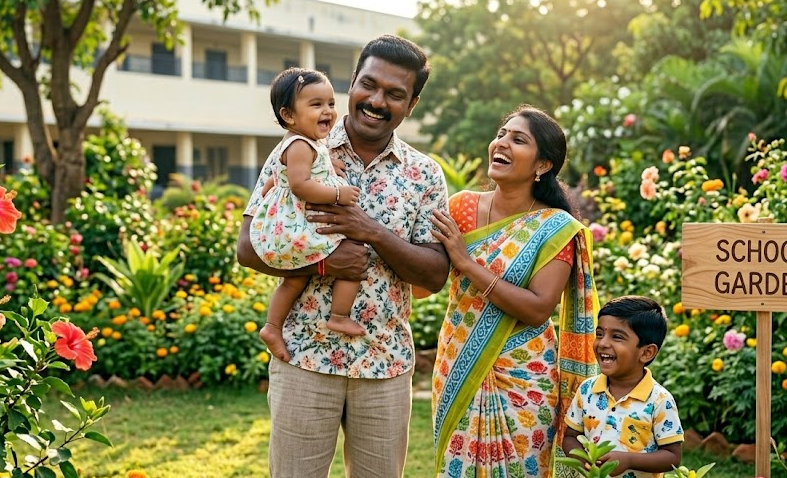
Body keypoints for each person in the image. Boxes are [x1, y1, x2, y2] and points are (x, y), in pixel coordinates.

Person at [236, 35, 449, 477]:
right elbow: (247, 247)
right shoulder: (298, 148)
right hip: (303, 357)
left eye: (394, 94)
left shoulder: (424, 173)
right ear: (352, 83)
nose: (376, 100)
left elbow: (434, 274)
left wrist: (371, 232)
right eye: (368, 85)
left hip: (385, 362)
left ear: (411, 104)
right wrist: (322, 264)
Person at [429, 105, 599, 477]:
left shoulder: (556, 228)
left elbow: (539, 308)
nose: (501, 143)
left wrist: (467, 263)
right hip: (458, 363)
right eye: (502, 133)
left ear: (542, 166)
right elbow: (425, 280)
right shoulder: (459, 208)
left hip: (525, 375)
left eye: (518, 139)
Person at [251, 67, 365, 362]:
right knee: (354, 257)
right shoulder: (301, 145)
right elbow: (300, 184)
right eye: (316, 105)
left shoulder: (308, 145)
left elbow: (282, 178)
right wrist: (338, 194)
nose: (327, 111)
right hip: (302, 227)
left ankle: (272, 326)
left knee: (294, 280)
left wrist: (327, 168)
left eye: (330, 103)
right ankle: (339, 315)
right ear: (289, 115)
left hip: (292, 227)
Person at [561, 295, 684, 478]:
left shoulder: (659, 400)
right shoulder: (587, 391)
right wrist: (584, 460)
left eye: (617, 337)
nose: (603, 343)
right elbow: (571, 437)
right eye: (600, 334)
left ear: (646, 352)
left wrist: (628, 460)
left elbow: (672, 456)